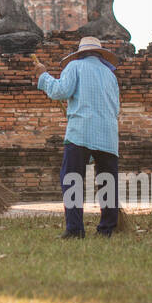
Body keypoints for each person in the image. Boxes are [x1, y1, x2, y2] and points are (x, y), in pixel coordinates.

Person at [34, 36, 121, 239]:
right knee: (108, 182)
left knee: (72, 179)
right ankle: (107, 229)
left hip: (80, 132)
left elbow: (60, 91)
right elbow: (116, 108)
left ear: (80, 53)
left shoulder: (75, 67)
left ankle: (75, 229)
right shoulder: (110, 76)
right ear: (100, 54)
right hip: (108, 135)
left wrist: (43, 75)